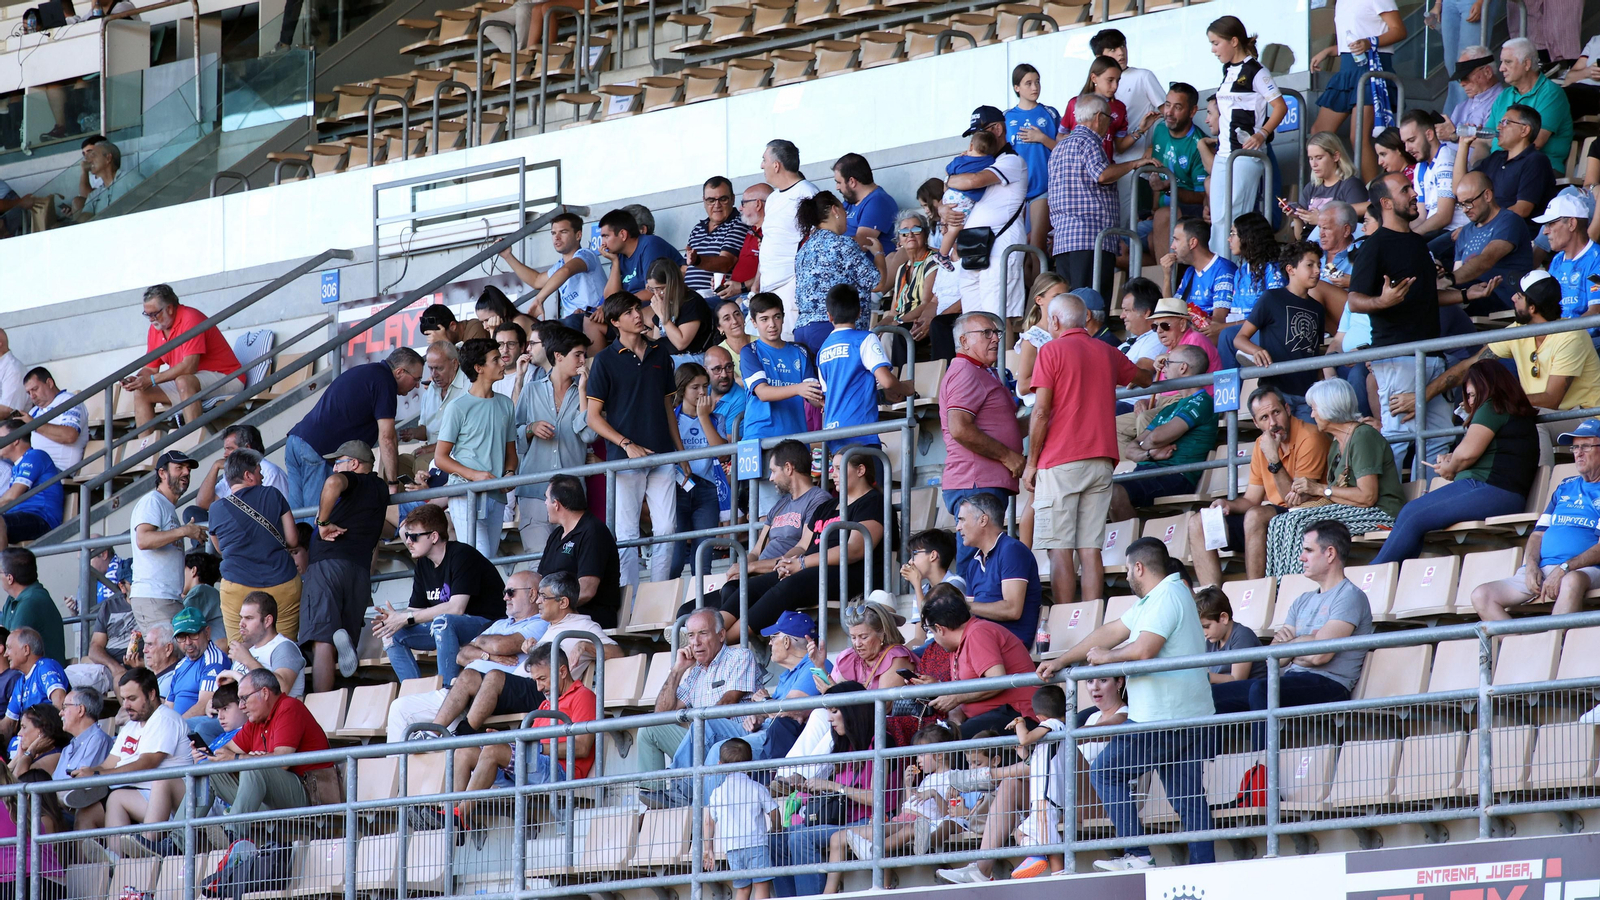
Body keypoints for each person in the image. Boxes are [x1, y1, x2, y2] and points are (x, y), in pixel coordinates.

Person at [1037, 537, 1214, 870]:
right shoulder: (1162, 596)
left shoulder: (1166, 596)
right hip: (1184, 715)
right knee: (1188, 799)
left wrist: (1107, 658)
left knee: (1105, 771)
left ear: (1138, 568)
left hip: (1164, 716)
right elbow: (1110, 631)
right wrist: (1062, 660)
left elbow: (1143, 648)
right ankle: (1204, 868)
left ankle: (1138, 854)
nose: (1129, 578)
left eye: (1129, 571)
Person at [1023, 291, 1153, 603]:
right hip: (1101, 460)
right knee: (1090, 549)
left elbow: (1040, 412)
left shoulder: (1051, 351)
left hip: (1059, 461)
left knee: (1060, 549)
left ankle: (1069, 623)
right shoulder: (1106, 351)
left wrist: (1031, 463)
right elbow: (1144, 378)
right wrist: (1151, 364)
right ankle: (1091, 621)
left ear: (1054, 321)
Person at [1377, 360, 1540, 565]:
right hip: (1496, 492)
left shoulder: (1492, 405)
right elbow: (1476, 453)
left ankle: (1374, 577)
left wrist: (1450, 467)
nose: (1471, 403)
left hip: (1491, 490)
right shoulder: (1508, 409)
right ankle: (1388, 578)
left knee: (1412, 514)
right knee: (1413, 516)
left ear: (1489, 388)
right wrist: (1451, 460)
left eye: (1473, 395)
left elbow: (1466, 455)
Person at [714, 451, 889, 638]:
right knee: (751, 586)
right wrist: (788, 562)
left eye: (839, 468)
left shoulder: (873, 502)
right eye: (833, 468)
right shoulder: (827, 507)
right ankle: (712, 634)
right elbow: (803, 545)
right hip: (812, 569)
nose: (833, 474)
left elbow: (855, 549)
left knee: (791, 585)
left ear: (861, 470)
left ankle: (723, 641)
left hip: (849, 574)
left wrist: (803, 563)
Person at [1347, 173, 1453, 468]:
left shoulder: (1418, 243)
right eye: (1405, 189)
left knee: (1439, 438)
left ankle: (1432, 505)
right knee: (1397, 437)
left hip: (1431, 353)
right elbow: (1354, 300)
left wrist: (1467, 295)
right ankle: (1384, 508)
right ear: (1386, 203)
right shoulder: (1374, 245)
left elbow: (1426, 295)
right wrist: (1382, 301)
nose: (1414, 193)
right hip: (1398, 355)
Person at [444, 643, 596, 844]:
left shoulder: (584, 696)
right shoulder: (545, 704)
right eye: (535, 681)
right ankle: (451, 812)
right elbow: (527, 744)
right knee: (464, 751)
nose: (539, 687)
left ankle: (456, 816)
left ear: (562, 671)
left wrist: (536, 748)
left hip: (561, 772)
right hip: (533, 768)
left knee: (494, 750)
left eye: (542, 679)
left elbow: (583, 747)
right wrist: (507, 740)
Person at [586, 292, 685, 587]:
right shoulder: (604, 361)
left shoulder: (660, 353)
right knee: (627, 533)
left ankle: (657, 594)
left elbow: (669, 408)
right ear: (615, 322)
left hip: (663, 454)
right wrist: (626, 444)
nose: (637, 315)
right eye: (629, 312)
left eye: (637, 309)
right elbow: (593, 417)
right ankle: (628, 600)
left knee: (668, 528)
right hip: (624, 459)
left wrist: (681, 454)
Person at [1189, 387, 1330, 587]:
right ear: (1255, 423)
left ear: (1288, 409)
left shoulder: (1310, 437)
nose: (1272, 423)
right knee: (1198, 522)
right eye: (1264, 417)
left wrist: (1273, 458)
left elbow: (1295, 500)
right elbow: (1251, 499)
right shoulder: (1260, 444)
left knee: (1256, 515)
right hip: (1267, 522)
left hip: (1303, 517)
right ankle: (1213, 598)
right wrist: (1226, 504)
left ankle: (1254, 594)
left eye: (1276, 413)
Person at [1266, 378, 1405, 576]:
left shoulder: (1363, 436)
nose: (1312, 414)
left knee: (1300, 524)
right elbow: (1336, 494)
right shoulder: (1335, 445)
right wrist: (1307, 494)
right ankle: (1280, 589)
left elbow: (1368, 497)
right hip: (1353, 511)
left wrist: (1318, 489)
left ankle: (1300, 587)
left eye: (1314, 408)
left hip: (1381, 513)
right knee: (1279, 522)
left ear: (1329, 409)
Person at [1472, 418, 1600, 619]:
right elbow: (1538, 534)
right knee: (1482, 595)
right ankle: (1518, 648)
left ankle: (1554, 646)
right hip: (1543, 568)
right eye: (1575, 448)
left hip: (1584, 570)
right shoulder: (1564, 487)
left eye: (1586, 446)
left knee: (1571, 581)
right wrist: (1531, 565)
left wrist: (1564, 568)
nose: (1578, 453)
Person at [635, 608, 762, 808]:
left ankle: (679, 793)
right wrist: (677, 670)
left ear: (721, 635)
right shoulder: (695, 673)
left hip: (734, 742)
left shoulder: (739, 657)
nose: (695, 642)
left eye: (703, 633)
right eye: (691, 635)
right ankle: (655, 796)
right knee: (648, 729)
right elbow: (661, 715)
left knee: (703, 723)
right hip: (700, 741)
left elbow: (728, 704)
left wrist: (701, 723)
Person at [707, 440, 831, 638]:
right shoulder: (780, 505)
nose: (771, 478)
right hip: (757, 575)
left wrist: (753, 568)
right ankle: (701, 633)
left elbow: (802, 548)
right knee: (690, 608)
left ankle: (720, 641)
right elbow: (756, 551)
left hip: (780, 575)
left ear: (789, 468)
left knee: (732, 591)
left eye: (774, 471)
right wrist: (742, 567)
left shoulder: (818, 499)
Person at [770, 681, 878, 896]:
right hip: (839, 820)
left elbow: (879, 799)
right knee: (774, 840)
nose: (829, 718)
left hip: (866, 822)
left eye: (834, 711)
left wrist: (832, 786)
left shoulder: (880, 743)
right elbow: (836, 791)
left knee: (801, 837)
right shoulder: (841, 745)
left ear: (852, 711)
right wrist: (809, 787)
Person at [375, 504, 503, 685]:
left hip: (488, 625)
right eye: (407, 536)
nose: (408, 541)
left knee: (443, 621)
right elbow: (415, 610)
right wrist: (395, 618)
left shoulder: (462, 555)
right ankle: (414, 691)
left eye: (414, 537)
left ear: (434, 536)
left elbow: (456, 608)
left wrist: (407, 617)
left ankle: (446, 690)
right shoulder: (423, 564)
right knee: (390, 633)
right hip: (451, 627)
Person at [1047, 92, 1158, 299]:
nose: (1110, 123)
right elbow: (1102, 175)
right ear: (1099, 117)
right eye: (1109, 118)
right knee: (1091, 307)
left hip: (1064, 240)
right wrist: (1135, 163)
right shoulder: (1089, 142)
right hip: (1089, 238)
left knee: (1071, 306)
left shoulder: (1060, 147)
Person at [73, 668, 192, 856]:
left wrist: (98, 775)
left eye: (132, 698)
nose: (126, 705)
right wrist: (86, 772)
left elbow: (148, 763)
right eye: (124, 698)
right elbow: (108, 764)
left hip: (177, 805)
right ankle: (116, 860)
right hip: (145, 798)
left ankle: (147, 847)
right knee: (113, 799)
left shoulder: (165, 718)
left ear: (152, 694)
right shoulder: (131, 726)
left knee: (161, 779)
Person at [300, 440, 388, 693]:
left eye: (337, 463)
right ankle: (343, 648)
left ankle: (321, 708)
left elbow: (332, 484)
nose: (334, 469)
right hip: (359, 572)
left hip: (327, 565)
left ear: (353, 464)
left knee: (322, 639)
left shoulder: (351, 480)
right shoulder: (380, 489)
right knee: (342, 639)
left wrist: (323, 521)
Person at [284, 347, 419, 510]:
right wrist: (392, 483)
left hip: (296, 441)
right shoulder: (385, 382)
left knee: (299, 519)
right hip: (318, 451)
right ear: (399, 372)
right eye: (416, 379)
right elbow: (387, 438)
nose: (417, 385)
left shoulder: (368, 372)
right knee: (318, 517)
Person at [940, 311, 1025, 568]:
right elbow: (960, 429)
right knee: (978, 566)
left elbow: (1002, 427)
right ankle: (969, 610)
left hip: (981, 484)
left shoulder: (981, 371)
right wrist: (1008, 456)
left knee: (986, 563)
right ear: (964, 341)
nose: (995, 339)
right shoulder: (965, 371)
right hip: (975, 483)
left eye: (996, 333)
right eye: (986, 333)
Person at [421, 569, 548, 738]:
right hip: (470, 689)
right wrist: (488, 655)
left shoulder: (540, 622)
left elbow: (500, 645)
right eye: (504, 593)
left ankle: (451, 734)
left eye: (511, 593)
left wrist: (480, 642)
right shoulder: (500, 624)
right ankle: (430, 735)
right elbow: (462, 655)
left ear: (532, 595)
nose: (505, 598)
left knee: (483, 676)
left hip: (508, 690)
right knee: (466, 676)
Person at [1207, 16, 1288, 260]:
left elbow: (1280, 107)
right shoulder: (1228, 69)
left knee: (1234, 216)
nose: (1212, 50)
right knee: (1218, 218)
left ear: (1233, 41)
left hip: (1244, 154)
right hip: (1223, 153)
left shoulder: (1256, 70)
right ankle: (1218, 271)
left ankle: (1233, 272)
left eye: (1215, 43)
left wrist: (1261, 133)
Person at [205, 667, 334, 819]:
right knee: (208, 771)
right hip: (270, 796)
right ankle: (177, 838)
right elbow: (226, 750)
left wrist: (241, 758)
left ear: (265, 693)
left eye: (244, 698)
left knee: (254, 768)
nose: (241, 706)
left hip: (311, 796)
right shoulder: (255, 720)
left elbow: (281, 762)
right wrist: (212, 755)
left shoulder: (289, 707)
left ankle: (234, 832)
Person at [739, 292, 822, 516]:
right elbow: (763, 392)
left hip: (796, 441)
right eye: (764, 319)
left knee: (800, 515)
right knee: (767, 518)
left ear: (784, 317)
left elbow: (813, 395)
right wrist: (797, 389)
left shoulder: (800, 351)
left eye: (776, 317)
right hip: (760, 440)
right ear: (753, 322)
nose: (772, 324)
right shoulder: (749, 351)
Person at [513, 324, 594, 554]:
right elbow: (514, 437)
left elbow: (588, 434)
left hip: (572, 495)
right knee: (538, 565)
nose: (583, 361)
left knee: (569, 567)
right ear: (558, 356)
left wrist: (582, 392)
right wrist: (531, 428)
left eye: (584, 356)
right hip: (534, 492)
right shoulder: (531, 390)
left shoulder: (585, 392)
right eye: (578, 354)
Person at [1307, 0, 1407, 181]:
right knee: (1319, 132)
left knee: (1358, 136)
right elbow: (1354, 42)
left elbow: (1399, 30)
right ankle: (1334, 186)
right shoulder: (1341, 3)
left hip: (1372, 70)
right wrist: (1329, 51)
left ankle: (1373, 195)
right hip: (1348, 71)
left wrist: (1371, 42)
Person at [207, 449, 300, 643]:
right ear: (248, 475)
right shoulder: (273, 494)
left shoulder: (216, 509)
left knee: (241, 653)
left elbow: (221, 549)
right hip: (282, 581)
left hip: (237, 586)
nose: (263, 476)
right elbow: (292, 540)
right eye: (259, 471)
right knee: (284, 648)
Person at [1112, 344, 1217, 516]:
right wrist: (1149, 455)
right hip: (1149, 472)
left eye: (1167, 362)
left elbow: (1155, 438)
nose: (1162, 367)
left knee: (1115, 492)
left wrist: (1145, 444)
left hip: (1176, 476)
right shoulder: (1170, 408)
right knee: (1099, 490)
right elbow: (1131, 448)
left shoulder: (1202, 401)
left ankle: (1133, 542)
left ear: (1183, 368)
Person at [435, 338, 516, 559]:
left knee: (485, 562)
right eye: (495, 359)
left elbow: (511, 453)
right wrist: (475, 476)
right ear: (479, 368)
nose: (502, 363)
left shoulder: (506, 404)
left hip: (496, 495)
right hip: (465, 494)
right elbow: (441, 458)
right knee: (481, 558)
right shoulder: (457, 407)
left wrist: (509, 474)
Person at [944, 106, 1027, 320]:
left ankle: (1005, 356)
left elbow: (974, 181)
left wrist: (948, 178)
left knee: (998, 318)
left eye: (980, 131)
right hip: (972, 246)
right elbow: (947, 193)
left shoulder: (1011, 160)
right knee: (973, 321)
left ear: (997, 129)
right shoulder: (973, 161)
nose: (975, 138)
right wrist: (941, 208)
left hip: (999, 246)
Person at [123, 284, 243, 430]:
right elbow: (150, 368)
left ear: (170, 308)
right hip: (192, 382)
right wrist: (137, 380)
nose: (150, 319)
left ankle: (194, 441)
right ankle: (146, 450)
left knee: (184, 381)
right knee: (141, 393)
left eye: (154, 313)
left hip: (229, 377)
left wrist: (152, 380)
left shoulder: (190, 318)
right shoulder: (156, 328)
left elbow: (189, 367)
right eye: (147, 314)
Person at [920, 588, 1035, 738]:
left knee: (950, 743)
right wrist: (954, 719)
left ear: (940, 629)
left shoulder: (977, 633)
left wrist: (956, 698)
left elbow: (998, 681)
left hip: (1017, 717)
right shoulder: (957, 646)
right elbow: (960, 699)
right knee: (936, 737)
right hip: (992, 717)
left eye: (931, 631)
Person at [1231, 240, 1330, 411]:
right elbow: (1239, 339)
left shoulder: (1317, 308)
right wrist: (1256, 350)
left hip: (1308, 395)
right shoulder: (1271, 298)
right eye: (1310, 265)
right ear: (1291, 269)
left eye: (1319, 265)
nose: (1317, 271)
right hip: (1276, 393)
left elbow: (1314, 351)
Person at [817, 287, 910, 453]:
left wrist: (878, 396)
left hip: (832, 432)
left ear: (829, 315)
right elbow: (887, 381)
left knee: (843, 478)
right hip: (860, 429)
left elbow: (827, 397)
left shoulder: (822, 350)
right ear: (859, 312)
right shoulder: (865, 339)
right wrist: (906, 388)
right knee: (872, 478)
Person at [793, 193, 886, 356]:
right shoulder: (842, 243)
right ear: (835, 210)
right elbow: (877, 283)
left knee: (815, 382)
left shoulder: (804, 249)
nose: (846, 217)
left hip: (802, 330)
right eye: (843, 210)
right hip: (833, 329)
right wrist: (878, 253)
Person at [127, 452, 205, 637]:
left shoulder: (166, 506)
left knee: (173, 659)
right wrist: (185, 531)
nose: (186, 472)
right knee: (165, 660)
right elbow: (143, 540)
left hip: (165, 598)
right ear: (162, 473)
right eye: (179, 468)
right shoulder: (152, 501)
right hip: (154, 597)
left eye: (188, 468)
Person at [954, 492, 1041, 648]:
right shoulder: (974, 563)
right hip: (980, 640)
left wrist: (962, 605)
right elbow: (970, 613)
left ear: (983, 520)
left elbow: (1013, 609)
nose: (958, 527)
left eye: (962, 520)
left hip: (1009, 642)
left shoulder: (1012, 550)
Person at [1482, 38, 1574, 176]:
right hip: (1500, 169)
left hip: (1538, 169)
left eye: (1508, 62)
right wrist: (1478, 168)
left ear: (1526, 64)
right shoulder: (1503, 96)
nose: (1501, 68)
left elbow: (1535, 142)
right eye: (1502, 62)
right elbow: (1485, 140)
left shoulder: (1551, 93)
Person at [671, 362, 730, 576]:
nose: (702, 392)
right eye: (695, 387)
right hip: (677, 489)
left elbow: (722, 454)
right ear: (682, 389)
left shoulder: (716, 418)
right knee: (674, 558)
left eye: (705, 386)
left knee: (703, 559)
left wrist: (703, 417)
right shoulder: (672, 420)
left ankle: (702, 608)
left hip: (707, 491)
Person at [758, 140, 820, 335]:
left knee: (793, 347)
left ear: (776, 165)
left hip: (791, 287)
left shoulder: (807, 193)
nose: (762, 165)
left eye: (764, 160)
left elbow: (816, 241)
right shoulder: (773, 198)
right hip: (768, 287)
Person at [1448, 172, 1534, 312]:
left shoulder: (1509, 221)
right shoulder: (1464, 232)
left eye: (1469, 203)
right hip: (1472, 294)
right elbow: (1458, 273)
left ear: (1487, 195)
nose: (1464, 210)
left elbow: (1487, 259)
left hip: (1502, 297)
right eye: (1461, 204)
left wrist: (1449, 280)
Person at [704, 738, 778, 900]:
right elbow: (773, 810)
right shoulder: (757, 787)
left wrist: (708, 848)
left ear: (720, 765)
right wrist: (777, 827)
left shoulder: (717, 793)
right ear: (750, 763)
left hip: (732, 848)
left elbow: (708, 822)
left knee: (743, 889)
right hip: (756, 844)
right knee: (761, 885)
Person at [1461, 103, 1560, 223]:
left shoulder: (1535, 161)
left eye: (1505, 123)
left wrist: (1484, 225)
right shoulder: (1496, 158)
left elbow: (1522, 209)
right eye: (1499, 123)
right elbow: (1460, 187)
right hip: (1486, 226)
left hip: (1513, 230)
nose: (1498, 128)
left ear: (1524, 130)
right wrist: (1463, 145)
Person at [1146, 82, 1209, 259]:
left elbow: (1202, 196)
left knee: (1164, 216)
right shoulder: (1160, 130)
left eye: (1177, 107)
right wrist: (1153, 210)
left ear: (1193, 111)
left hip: (1190, 214)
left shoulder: (1199, 144)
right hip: (1161, 214)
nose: (1169, 112)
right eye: (1167, 105)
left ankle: (1167, 279)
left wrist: (1168, 187)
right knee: (1120, 247)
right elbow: (1157, 173)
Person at [1214, 213, 1286, 364]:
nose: (1229, 239)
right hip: (1242, 329)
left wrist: (1227, 326)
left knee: (1226, 335)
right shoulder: (1240, 271)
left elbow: (1274, 313)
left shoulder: (1272, 269)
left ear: (1248, 237)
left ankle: (1231, 384)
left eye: (1233, 233)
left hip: (1265, 330)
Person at [527, 571, 620, 681]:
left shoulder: (584, 626)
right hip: (528, 687)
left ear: (563, 603)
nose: (537, 601)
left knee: (500, 679)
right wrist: (531, 649)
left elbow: (618, 653)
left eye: (543, 597)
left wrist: (587, 645)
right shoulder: (553, 625)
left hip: (543, 692)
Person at [1006, 64, 1060, 252]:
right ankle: (1024, 282)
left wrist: (1042, 139)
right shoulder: (1006, 118)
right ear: (1017, 88)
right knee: (1017, 244)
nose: (1034, 87)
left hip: (1043, 186)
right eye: (1028, 83)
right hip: (1015, 188)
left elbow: (1062, 150)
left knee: (1037, 243)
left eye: (1037, 82)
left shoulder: (1050, 113)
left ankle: (1038, 281)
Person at [193, 425, 290, 519]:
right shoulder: (233, 472)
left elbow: (268, 514)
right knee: (192, 512)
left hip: (259, 532)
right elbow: (203, 504)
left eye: (230, 449)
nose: (225, 455)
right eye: (225, 449)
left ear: (246, 449)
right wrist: (215, 467)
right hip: (236, 530)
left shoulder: (269, 472)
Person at [1401, 110, 1469, 239]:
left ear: (1429, 134)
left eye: (1411, 140)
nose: (1407, 148)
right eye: (1405, 143)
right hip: (1435, 231)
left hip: (1454, 232)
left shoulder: (1446, 157)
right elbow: (1421, 216)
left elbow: (1444, 216)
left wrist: (1410, 238)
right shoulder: (1420, 167)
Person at [1164, 218, 1236, 336]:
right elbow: (1170, 311)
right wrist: (1167, 275)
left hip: (1206, 340)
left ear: (1192, 242)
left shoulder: (1223, 270)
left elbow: (1218, 322)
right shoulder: (1190, 271)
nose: (1172, 246)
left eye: (1176, 239)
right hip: (1187, 337)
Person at [1289, 132, 1368, 241]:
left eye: (1319, 158)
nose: (1314, 164)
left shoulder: (1350, 185)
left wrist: (1321, 220)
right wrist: (1297, 218)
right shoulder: (1310, 188)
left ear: (1336, 156)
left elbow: (1353, 228)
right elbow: (1301, 238)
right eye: (1311, 158)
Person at [167, 608, 229, 743]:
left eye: (193, 634)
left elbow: (204, 705)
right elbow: (168, 707)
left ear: (207, 633)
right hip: (179, 730)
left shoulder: (213, 659)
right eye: (181, 637)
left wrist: (173, 727)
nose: (187, 642)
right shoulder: (180, 665)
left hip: (195, 729)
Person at [227, 592, 306, 698]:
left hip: (276, 713)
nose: (241, 623)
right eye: (241, 617)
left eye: (249, 618)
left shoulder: (284, 647)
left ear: (267, 621)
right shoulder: (247, 650)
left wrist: (248, 661)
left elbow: (282, 689)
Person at [0, 418, 63, 548]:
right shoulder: (17, 466)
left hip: (42, 519)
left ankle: (3, 567)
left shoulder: (35, 455)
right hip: (21, 518)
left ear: (15, 439)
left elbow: (12, 496)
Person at [1537, 190, 1600, 320]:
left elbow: (1595, 312)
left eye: (1551, 224)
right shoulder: (1557, 260)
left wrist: (1562, 334)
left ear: (1572, 224)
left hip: (1587, 338)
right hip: (1558, 336)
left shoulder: (1597, 259)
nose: (1545, 231)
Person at [686, 176, 751, 298]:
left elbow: (726, 263)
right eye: (711, 200)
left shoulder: (739, 223)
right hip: (688, 296)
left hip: (716, 297)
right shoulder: (697, 229)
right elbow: (685, 269)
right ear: (704, 201)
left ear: (732, 199)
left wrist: (698, 260)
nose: (717, 205)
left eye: (723, 199)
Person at [0, 628, 66, 746]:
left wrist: (46, 737)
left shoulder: (45, 667)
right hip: (23, 749)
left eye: (9, 647)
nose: (6, 654)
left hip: (47, 747)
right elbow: (8, 724)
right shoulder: (21, 681)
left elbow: (60, 701)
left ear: (26, 649)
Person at [16, 367, 88, 471]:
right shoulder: (33, 412)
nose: (32, 396)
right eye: (29, 393)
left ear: (49, 383)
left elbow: (69, 436)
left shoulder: (69, 401)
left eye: (35, 389)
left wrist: (34, 424)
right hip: (34, 467)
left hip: (59, 470)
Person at [646, 259, 719, 361]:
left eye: (660, 288)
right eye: (652, 289)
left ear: (673, 283)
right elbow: (659, 340)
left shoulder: (692, 302)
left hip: (694, 358)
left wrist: (663, 316)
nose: (656, 294)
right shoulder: (664, 302)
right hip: (671, 356)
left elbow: (681, 344)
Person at [832, 601, 913, 690]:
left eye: (864, 637)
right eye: (853, 637)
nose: (857, 644)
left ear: (882, 634)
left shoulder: (895, 657)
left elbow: (884, 702)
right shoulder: (851, 658)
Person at [0, 550, 63, 665]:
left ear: (10, 578)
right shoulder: (12, 599)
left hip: (41, 678)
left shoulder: (30, 602)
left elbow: (11, 650)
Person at [1197, 588, 1266, 685]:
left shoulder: (1242, 635)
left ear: (1224, 618)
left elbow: (1238, 680)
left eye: (1206, 626)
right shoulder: (1211, 641)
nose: (1204, 633)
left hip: (1249, 692)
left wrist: (1207, 677)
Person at [833, 153, 899, 251]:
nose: (837, 187)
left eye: (839, 182)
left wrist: (826, 244)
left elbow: (862, 244)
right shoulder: (850, 201)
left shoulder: (878, 202)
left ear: (852, 181)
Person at [722, 182, 771, 302]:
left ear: (758, 204)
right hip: (733, 294)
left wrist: (742, 286)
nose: (740, 208)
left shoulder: (772, 232)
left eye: (743, 203)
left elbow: (771, 272)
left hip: (752, 297)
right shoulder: (752, 230)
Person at [901, 529, 965, 614]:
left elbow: (929, 619)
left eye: (914, 554)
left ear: (933, 555)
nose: (910, 561)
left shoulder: (954, 583)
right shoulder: (922, 590)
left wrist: (917, 585)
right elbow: (920, 626)